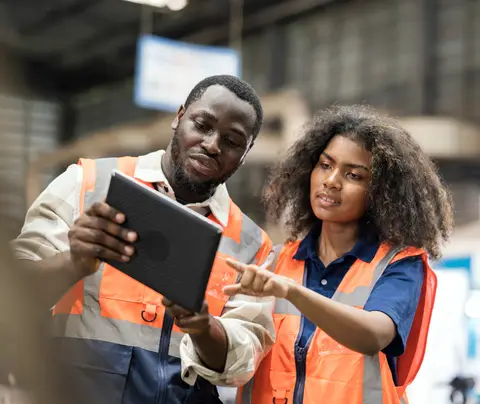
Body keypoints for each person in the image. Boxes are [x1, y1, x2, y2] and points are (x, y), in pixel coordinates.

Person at [12, 75, 275, 404]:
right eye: (202, 124)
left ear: (246, 153)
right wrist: (73, 261)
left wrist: (204, 327)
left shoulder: (252, 245)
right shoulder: (88, 184)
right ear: (179, 118)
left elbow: (243, 361)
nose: (212, 144)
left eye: (232, 141)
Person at [224, 105, 454, 403]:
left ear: (381, 193)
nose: (331, 181)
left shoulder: (398, 266)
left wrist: (292, 292)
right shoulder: (274, 261)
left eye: (354, 175)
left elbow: (373, 336)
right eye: (325, 165)